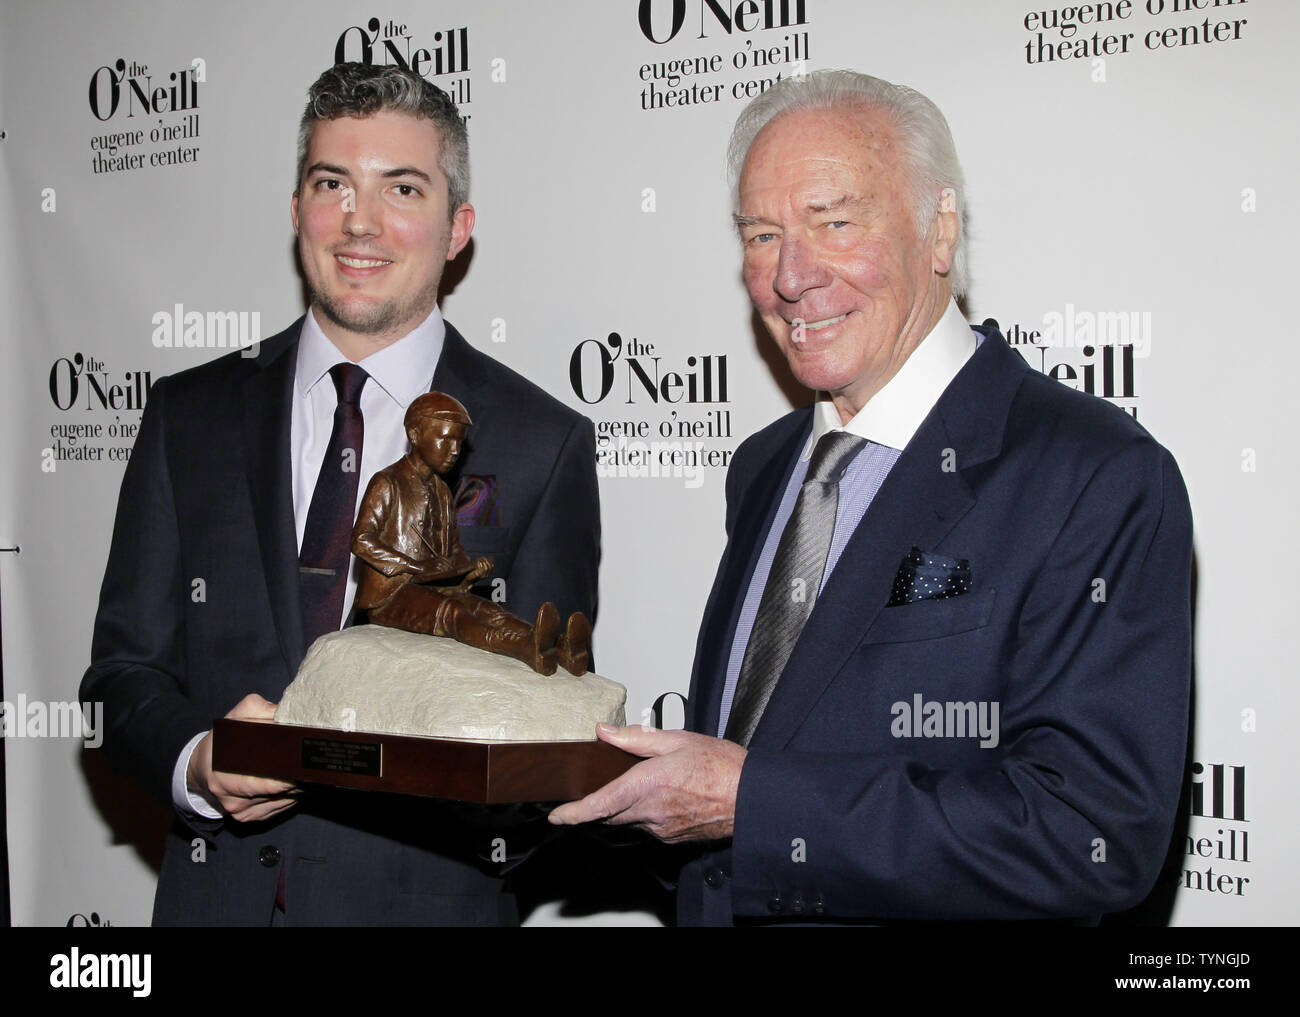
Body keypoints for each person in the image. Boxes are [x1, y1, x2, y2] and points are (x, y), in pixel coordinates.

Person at [550, 70, 1192, 925]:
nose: (791, 276)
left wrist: (754, 804)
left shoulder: (1095, 474)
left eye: (835, 222)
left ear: (940, 230)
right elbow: (752, 766)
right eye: (761, 234)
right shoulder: (766, 468)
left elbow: (1088, 832)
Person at [81, 62, 599, 926]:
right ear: (296, 212)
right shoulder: (188, 415)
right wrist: (198, 759)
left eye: (403, 187)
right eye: (332, 184)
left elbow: (541, 746)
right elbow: (119, 676)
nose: (360, 222)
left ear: (457, 227)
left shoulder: (542, 442)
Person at [352, 391, 592, 676]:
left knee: (489, 611)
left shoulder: (442, 491)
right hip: (391, 595)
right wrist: (412, 566)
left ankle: (555, 646)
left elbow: (452, 551)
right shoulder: (387, 482)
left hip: (436, 587)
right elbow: (361, 539)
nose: (454, 450)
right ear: (415, 434)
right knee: (453, 614)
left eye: (459, 442)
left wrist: (470, 572)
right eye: (446, 439)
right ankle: (525, 647)